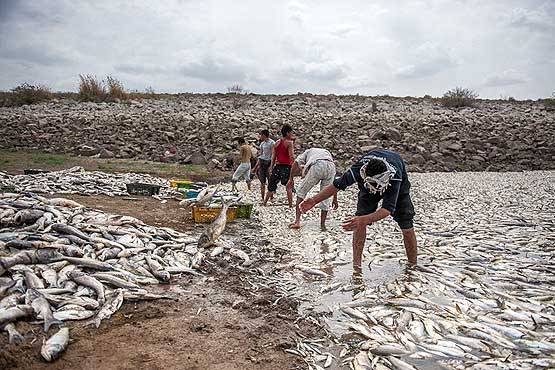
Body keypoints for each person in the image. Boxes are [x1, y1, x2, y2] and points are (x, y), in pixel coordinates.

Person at [300, 149, 417, 269]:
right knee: (359, 221)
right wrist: (314, 200)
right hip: (367, 187)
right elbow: (337, 185)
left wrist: (362, 220)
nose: (377, 187)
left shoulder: (394, 176)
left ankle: (413, 265)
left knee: (406, 224)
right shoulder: (358, 170)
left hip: (393, 183)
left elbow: (387, 210)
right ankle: (357, 265)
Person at [286, 147, 338, 231]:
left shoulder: (307, 152)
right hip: (331, 167)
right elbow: (334, 184)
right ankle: (322, 225)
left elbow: (295, 162)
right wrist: (335, 198)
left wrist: (291, 179)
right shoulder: (325, 152)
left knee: (301, 192)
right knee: (326, 197)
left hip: (318, 165)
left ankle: (297, 222)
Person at [264, 124, 295, 207]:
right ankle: (290, 205)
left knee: (272, 185)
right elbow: (291, 156)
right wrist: (296, 165)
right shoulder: (289, 143)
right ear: (287, 133)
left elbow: (273, 156)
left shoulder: (277, 142)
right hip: (286, 167)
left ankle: (265, 203)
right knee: (288, 186)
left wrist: (271, 167)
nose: (292, 134)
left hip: (277, 166)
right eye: (291, 132)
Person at [251, 129, 275, 201]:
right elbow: (261, 155)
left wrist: (271, 166)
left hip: (268, 162)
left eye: (261, 135)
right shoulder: (262, 144)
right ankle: (262, 198)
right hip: (262, 162)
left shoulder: (272, 143)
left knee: (270, 181)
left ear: (264, 135)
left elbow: (273, 155)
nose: (260, 136)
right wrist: (255, 167)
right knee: (262, 182)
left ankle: (271, 197)